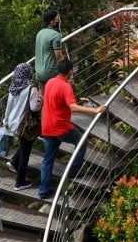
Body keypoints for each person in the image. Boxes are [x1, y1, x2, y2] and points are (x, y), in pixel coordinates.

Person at [40, 59, 107, 200]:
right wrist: (95, 110)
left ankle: (44, 191)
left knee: (48, 160)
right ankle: (73, 171)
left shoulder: (50, 82)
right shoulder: (65, 87)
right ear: (70, 71)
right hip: (61, 127)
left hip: (47, 126)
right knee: (82, 141)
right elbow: (73, 107)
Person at [3, 62, 41, 191]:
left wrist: (6, 121)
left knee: (24, 145)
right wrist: (41, 99)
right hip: (26, 124)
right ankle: (19, 182)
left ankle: (14, 162)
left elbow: (9, 107)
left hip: (14, 123)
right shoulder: (31, 88)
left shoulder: (13, 87)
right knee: (26, 153)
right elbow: (34, 107)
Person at [34, 10, 64, 87]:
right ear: (51, 22)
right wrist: (65, 71)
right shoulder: (55, 35)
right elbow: (59, 56)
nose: (59, 21)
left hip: (39, 72)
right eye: (57, 19)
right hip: (50, 73)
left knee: (44, 97)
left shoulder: (40, 33)